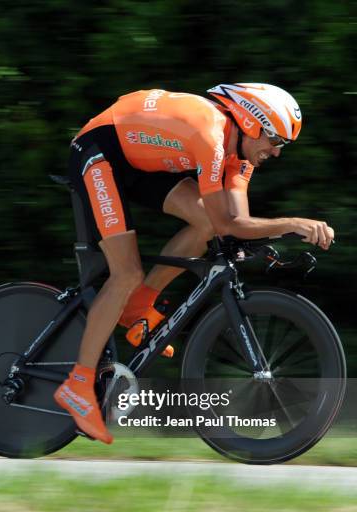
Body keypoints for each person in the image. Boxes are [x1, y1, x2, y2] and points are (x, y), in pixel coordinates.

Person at [53, 82, 334, 444]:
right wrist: (292, 224)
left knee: (204, 225)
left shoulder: (241, 157)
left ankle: (140, 302)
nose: (276, 152)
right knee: (126, 272)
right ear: (251, 123)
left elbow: (236, 224)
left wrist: (270, 238)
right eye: (274, 140)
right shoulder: (210, 135)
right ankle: (78, 385)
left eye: (282, 145)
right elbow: (229, 224)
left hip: (134, 159)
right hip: (98, 152)